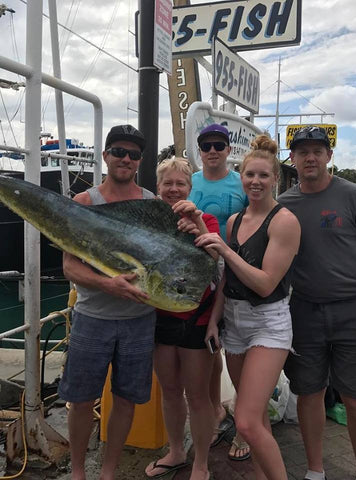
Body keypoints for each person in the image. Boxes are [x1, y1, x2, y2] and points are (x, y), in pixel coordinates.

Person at [278, 126, 356, 480]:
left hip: (355, 312)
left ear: (329, 156)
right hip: (304, 312)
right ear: (292, 158)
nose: (310, 157)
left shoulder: (354, 196)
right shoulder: (284, 205)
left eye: (317, 151)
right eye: (302, 151)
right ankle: (314, 470)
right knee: (309, 392)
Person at [197, 135, 300, 480]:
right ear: (241, 178)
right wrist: (214, 320)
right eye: (250, 175)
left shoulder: (284, 221)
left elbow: (266, 282)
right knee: (254, 420)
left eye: (263, 176)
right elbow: (229, 282)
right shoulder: (234, 222)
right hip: (234, 321)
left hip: (268, 322)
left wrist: (225, 252)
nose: (256, 182)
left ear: (276, 179)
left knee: (245, 420)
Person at [58, 125, 155, 480]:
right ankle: (79, 471)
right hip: (92, 318)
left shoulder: (152, 204)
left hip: (140, 320)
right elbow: (70, 266)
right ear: (105, 156)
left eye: (133, 154)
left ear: (140, 161)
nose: (126, 159)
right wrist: (107, 284)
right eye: (119, 152)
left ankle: (109, 471)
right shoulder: (83, 204)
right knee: (81, 399)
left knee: (127, 399)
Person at [145, 158, 222, 480]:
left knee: (198, 395)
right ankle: (176, 451)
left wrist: (198, 227)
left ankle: (201, 462)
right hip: (160, 320)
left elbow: (220, 264)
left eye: (180, 184)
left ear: (190, 189)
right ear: (158, 187)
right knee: (171, 390)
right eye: (168, 184)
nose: (174, 189)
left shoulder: (207, 220)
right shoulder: (146, 221)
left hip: (197, 320)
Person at [189, 123, 248, 459]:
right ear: (200, 151)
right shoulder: (191, 182)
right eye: (207, 146)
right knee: (209, 353)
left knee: (238, 354)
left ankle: (244, 427)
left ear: (228, 150)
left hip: (235, 273)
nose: (213, 151)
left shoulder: (241, 183)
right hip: (199, 275)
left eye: (219, 145)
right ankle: (214, 413)